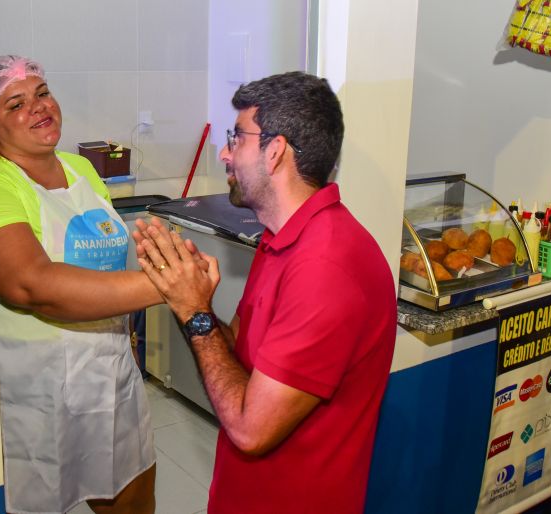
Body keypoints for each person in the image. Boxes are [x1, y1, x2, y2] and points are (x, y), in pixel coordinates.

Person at [133, 71, 397, 514]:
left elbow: (251, 429)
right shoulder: (282, 239)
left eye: (237, 138)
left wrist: (194, 312)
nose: (225, 153)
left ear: (274, 152)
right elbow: (238, 356)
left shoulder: (326, 268)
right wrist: (193, 297)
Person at [0, 55, 163, 514]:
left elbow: (106, 267)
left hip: (112, 374)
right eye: (15, 104)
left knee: (133, 495)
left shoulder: (81, 169)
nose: (39, 108)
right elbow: (31, 285)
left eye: (42, 93)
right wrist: (165, 286)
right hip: (39, 389)